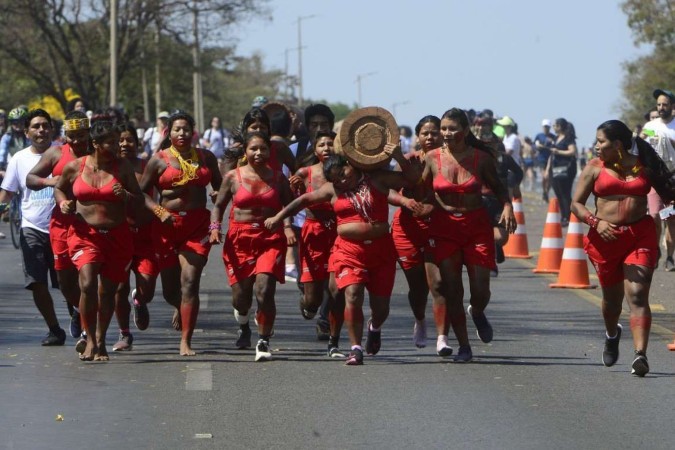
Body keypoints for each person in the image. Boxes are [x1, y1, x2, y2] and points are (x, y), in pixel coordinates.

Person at [265, 145, 422, 366]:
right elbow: (303, 201)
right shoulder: (332, 190)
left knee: (381, 309)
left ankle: (374, 327)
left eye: (343, 174)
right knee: (353, 294)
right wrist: (279, 217)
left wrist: (398, 156)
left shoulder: (376, 178)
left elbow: (411, 180)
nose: (341, 181)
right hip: (348, 251)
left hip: (381, 252)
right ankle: (355, 348)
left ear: (350, 165)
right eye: (335, 179)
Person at [571, 119, 675, 376]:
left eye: (601, 141)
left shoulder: (645, 167)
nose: (596, 146)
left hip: (639, 236)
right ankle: (612, 333)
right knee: (612, 302)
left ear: (617, 144)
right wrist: (596, 222)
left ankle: (641, 355)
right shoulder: (594, 168)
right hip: (604, 241)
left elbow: (668, 193)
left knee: (638, 294)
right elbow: (576, 205)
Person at [422, 108, 516, 363]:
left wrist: (507, 208)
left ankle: (477, 311)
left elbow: (499, 189)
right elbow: (419, 190)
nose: (446, 133)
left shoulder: (481, 158)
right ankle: (464, 346)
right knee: (452, 290)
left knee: (480, 289)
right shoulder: (431, 158)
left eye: (452, 128)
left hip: (476, 227)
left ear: (464, 131)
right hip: (444, 228)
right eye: (443, 128)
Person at [54, 120, 143, 361]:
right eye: (111, 142)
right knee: (87, 283)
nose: (117, 146)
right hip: (85, 235)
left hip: (117, 236)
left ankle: (102, 340)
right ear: (95, 143)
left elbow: (139, 199)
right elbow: (59, 188)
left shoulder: (122, 167)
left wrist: (125, 195)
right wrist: (63, 203)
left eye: (117, 141)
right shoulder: (75, 167)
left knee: (108, 292)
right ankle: (90, 339)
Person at [139, 112, 222, 356]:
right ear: (169, 133)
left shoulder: (206, 157)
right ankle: (179, 306)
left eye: (186, 129)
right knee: (170, 291)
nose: (182, 134)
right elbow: (140, 193)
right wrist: (158, 209)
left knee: (190, 281)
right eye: (177, 130)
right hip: (165, 227)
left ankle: (186, 341)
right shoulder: (158, 160)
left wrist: (217, 196)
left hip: (196, 227)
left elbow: (219, 186)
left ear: (193, 131)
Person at [210, 131, 295, 361]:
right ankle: (244, 323)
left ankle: (263, 340)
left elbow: (289, 206)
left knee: (264, 289)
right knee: (241, 298)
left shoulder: (278, 178)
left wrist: (286, 227)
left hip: (269, 239)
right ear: (245, 152)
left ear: (270, 151)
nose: (258, 153)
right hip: (240, 240)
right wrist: (215, 227)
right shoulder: (232, 177)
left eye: (263, 149)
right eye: (253, 149)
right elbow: (218, 206)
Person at [0, 109, 67, 346]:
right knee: (36, 282)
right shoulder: (18, 159)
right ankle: (54, 329)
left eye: (45, 126)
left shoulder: (65, 154)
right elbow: (8, 192)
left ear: (52, 129)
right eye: (36, 126)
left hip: (64, 228)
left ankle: (80, 316)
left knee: (67, 282)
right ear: (27, 132)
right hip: (32, 228)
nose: (41, 130)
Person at [26, 110, 91, 346]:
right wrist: (49, 181)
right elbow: (31, 179)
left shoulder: (97, 154)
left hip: (91, 225)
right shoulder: (55, 153)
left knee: (88, 278)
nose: (76, 141)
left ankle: (88, 332)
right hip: (61, 225)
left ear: (88, 134)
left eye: (81, 135)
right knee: (65, 283)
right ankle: (78, 310)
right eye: (71, 135)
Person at [390, 115, 451, 353]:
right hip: (407, 230)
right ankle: (420, 321)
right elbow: (386, 191)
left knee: (437, 283)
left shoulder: (448, 161)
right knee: (417, 288)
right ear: (418, 136)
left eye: (434, 132)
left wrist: (434, 206)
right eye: (425, 133)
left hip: (437, 227)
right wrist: (405, 201)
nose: (429, 137)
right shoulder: (407, 160)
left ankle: (442, 338)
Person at [286, 130, 346, 357]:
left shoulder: (344, 173)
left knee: (335, 286)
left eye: (331, 144)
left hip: (338, 232)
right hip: (313, 232)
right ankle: (308, 305)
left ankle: (328, 326)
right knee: (313, 298)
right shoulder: (304, 173)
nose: (327, 148)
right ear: (315, 149)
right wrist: (287, 226)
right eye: (322, 144)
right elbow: (291, 201)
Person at [111, 123, 160, 351]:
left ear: (137, 143)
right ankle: (125, 334)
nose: (124, 144)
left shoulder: (147, 167)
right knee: (119, 288)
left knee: (147, 287)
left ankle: (139, 301)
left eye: (129, 140)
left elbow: (164, 190)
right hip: (119, 235)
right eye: (120, 140)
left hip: (147, 236)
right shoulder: (109, 168)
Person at [641, 89, 675, 271]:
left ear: (673, 107)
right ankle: (656, 251)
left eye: (665, 105)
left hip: (672, 182)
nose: (661, 108)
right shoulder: (650, 125)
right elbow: (638, 145)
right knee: (654, 216)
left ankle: (669, 256)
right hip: (655, 181)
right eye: (659, 105)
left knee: (670, 219)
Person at [547, 118, 578, 227]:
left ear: (560, 126)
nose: (554, 127)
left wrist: (558, 151)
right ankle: (563, 216)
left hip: (567, 168)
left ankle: (568, 216)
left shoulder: (568, 138)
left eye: (555, 125)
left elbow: (572, 151)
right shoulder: (555, 138)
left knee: (565, 192)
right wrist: (547, 169)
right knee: (558, 192)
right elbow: (551, 155)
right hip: (555, 169)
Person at [0, 107, 29, 171]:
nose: (18, 124)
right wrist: (1, 168)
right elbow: (2, 153)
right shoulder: (7, 137)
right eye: (15, 122)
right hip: (11, 168)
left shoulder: (30, 136)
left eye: (21, 121)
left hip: (29, 167)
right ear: (11, 123)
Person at [534, 119, 555, 202]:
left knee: (550, 178)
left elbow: (555, 146)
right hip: (542, 158)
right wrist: (538, 146)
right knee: (544, 176)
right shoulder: (539, 135)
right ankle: (544, 191)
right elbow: (535, 145)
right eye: (544, 127)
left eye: (547, 127)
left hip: (551, 158)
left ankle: (546, 192)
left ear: (549, 127)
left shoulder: (553, 137)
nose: (546, 128)